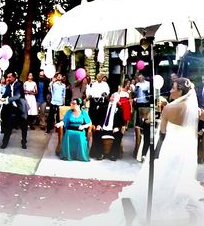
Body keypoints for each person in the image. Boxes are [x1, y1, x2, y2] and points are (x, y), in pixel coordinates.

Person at [71, 78, 204, 225]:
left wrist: (155, 155)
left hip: (169, 149)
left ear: (180, 91)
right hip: (184, 152)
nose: (170, 90)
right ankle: (173, 202)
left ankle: (155, 206)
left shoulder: (169, 109)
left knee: (161, 178)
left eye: (173, 88)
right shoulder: (193, 109)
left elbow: (162, 134)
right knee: (176, 179)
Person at [91, 92, 125, 161]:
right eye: (112, 96)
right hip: (103, 129)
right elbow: (97, 118)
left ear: (118, 100)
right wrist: (98, 125)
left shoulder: (119, 110)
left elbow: (122, 122)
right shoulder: (103, 107)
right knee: (96, 134)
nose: (112, 98)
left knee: (119, 135)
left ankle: (113, 154)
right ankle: (99, 154)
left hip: (113, 130)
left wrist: (117, 127)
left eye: (115, 97)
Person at [0, 72, 28, 149]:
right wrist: (1, 98)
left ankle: (24, 142)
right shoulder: (8, 85)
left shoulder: (19, 85)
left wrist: (7, 100)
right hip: (12, 108)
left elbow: (18, 96)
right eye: (7, 77)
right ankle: (4, 143)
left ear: (14, 77)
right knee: (8, 125)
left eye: (10, 77)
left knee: (23, 126)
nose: (8, 78)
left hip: (21, 108)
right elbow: (6, 94)